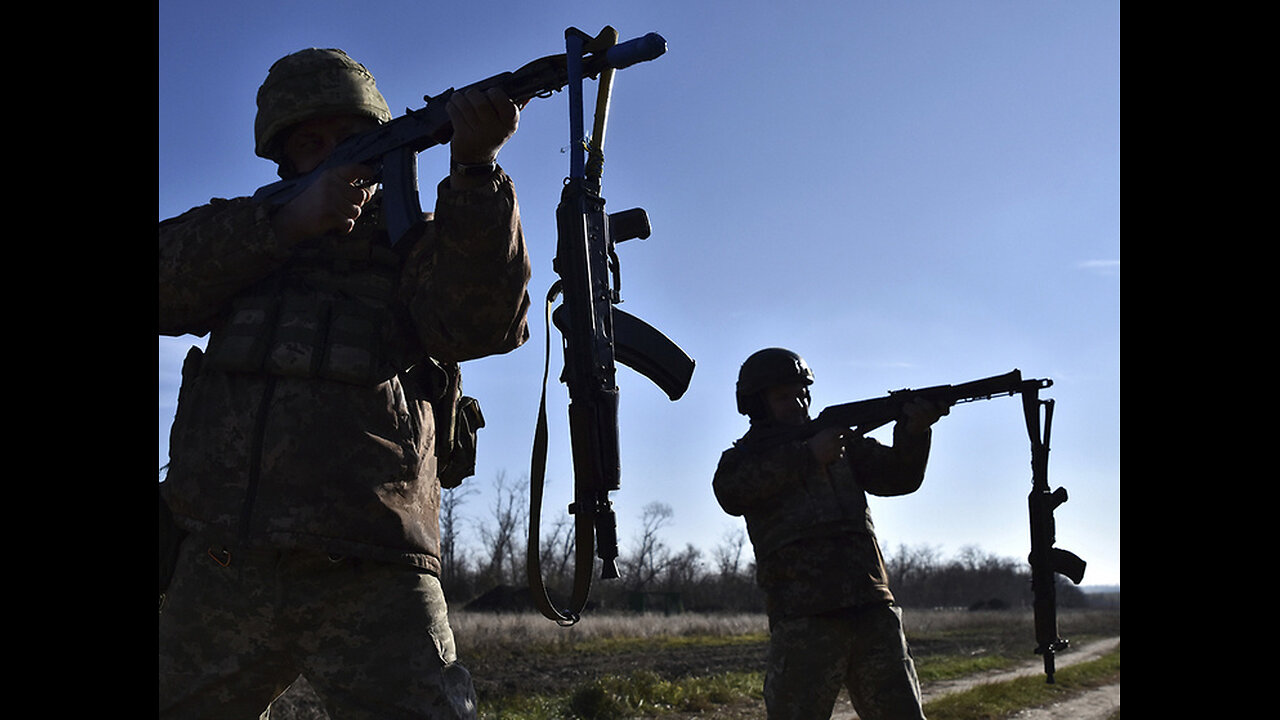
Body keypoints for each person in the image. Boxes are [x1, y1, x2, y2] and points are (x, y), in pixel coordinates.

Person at [158, 47, 531, 719]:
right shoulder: (242, 238)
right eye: (313, 142)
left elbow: (481, 325)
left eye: (352, 139)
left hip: (377, 569)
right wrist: (285, 224)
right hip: (223, 561)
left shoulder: (415, 246)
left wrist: (476, 172)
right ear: (285, 158)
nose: (335, 153)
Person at [712, 348, 948, 720]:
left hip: (872, 610)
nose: (797, 403)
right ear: (757, 405)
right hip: (806, 619)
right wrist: (807, 456)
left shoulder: (842, 444)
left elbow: (899, 478)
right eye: (782, 397)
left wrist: (913, 432)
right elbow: (730, 492)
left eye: (801, 393)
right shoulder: (743, 459)